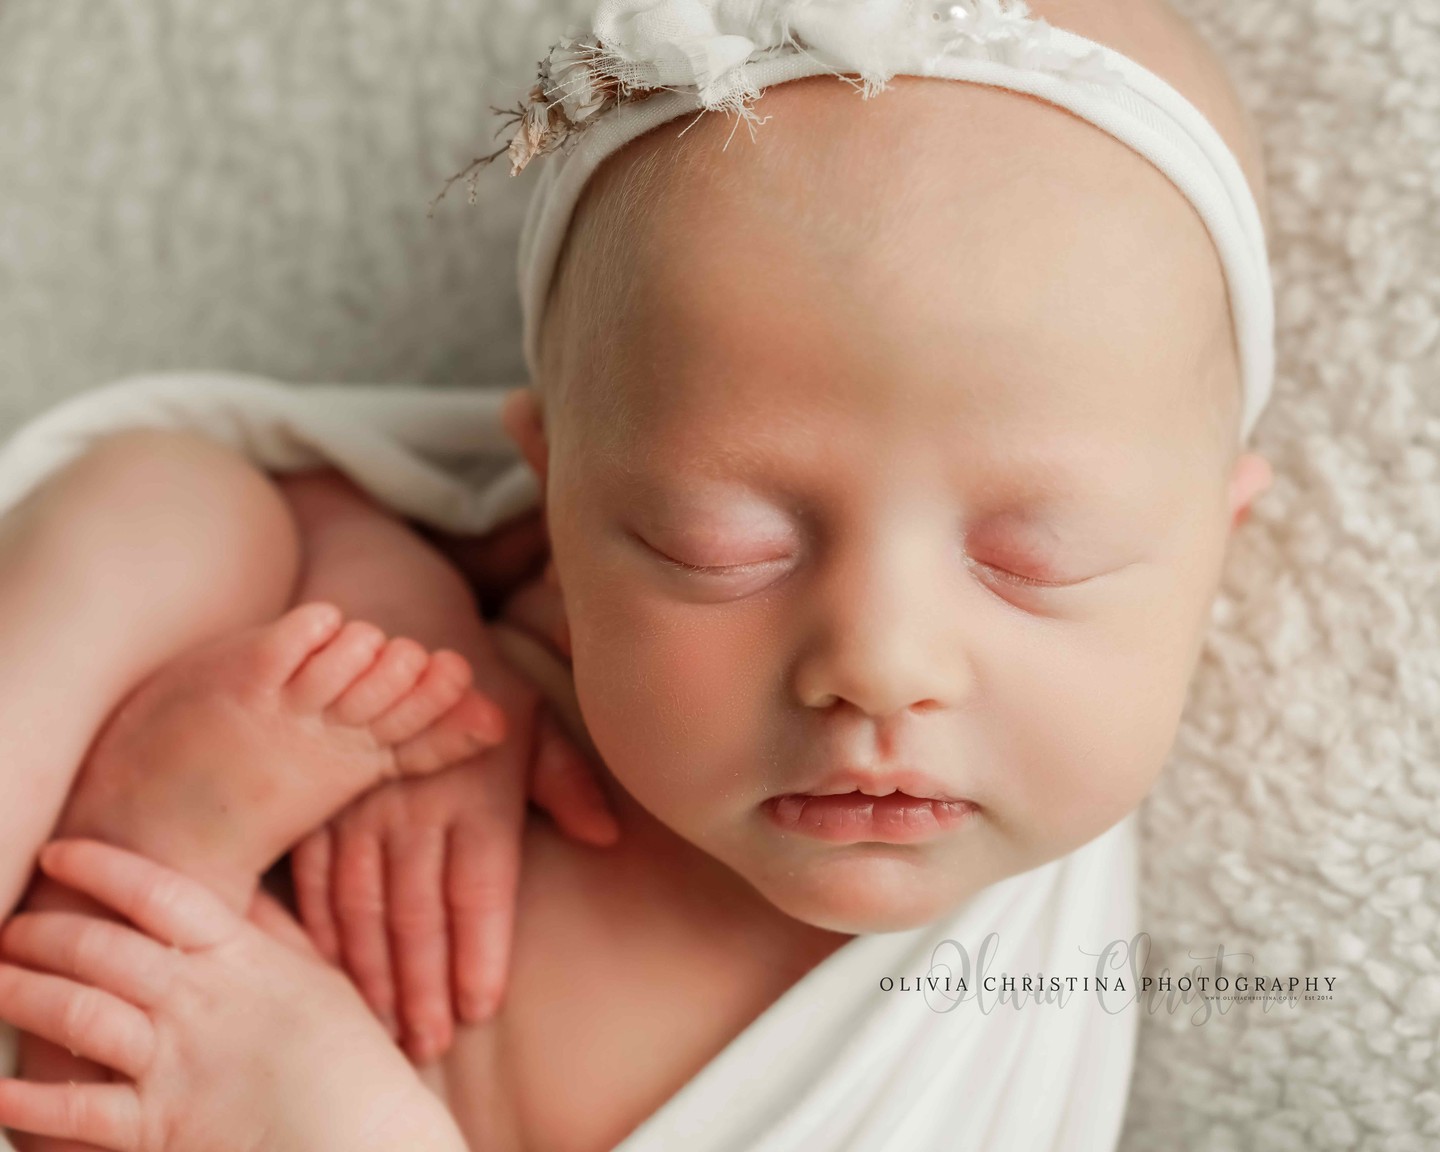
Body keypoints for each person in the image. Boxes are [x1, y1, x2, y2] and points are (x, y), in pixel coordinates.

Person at [0, 0, 1278, 1147]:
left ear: (1214, 537)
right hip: (96, 901)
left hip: (175, 1090)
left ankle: (149, 857)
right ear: (558, 490)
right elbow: (309, 489)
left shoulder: (996, 1029)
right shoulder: (535, 585)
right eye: (717, 546)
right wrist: (392, 612)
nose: (878, 658)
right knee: (165, 495)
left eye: (1030, 560)